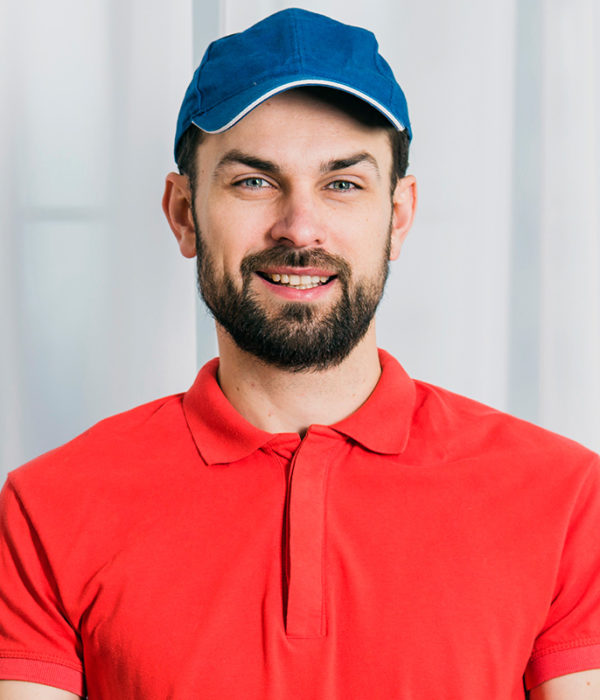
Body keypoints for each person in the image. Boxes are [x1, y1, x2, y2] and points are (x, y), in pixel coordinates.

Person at [1, 8, 599, 699]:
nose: (300, 227)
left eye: (342, 183)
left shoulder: (563, 499)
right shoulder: (50, 508)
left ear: (398, 216)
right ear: (184, 213)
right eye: (254, 181)